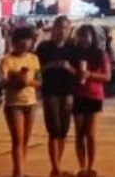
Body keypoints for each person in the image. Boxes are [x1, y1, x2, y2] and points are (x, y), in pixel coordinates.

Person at [37, 16, 78, 176]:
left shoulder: (72, 48)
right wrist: (50, 66)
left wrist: (69, 68)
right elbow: (36, 70)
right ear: (53, 29)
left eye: (66, 28)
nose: (62, 31)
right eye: (60, 27)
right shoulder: (44, 48)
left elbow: (79, 73)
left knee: (63, 131)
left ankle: (57, 166)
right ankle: (55, 167)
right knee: (54, 129)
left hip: (67, 93)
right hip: (50, 92)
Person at [0, 27, 40, 177]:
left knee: (25, 141)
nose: (25, 43)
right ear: (15, 41)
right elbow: (2, 83)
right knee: (18, 140)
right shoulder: (6, 60)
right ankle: (19, 173)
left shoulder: (34, 59)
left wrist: (28, 82)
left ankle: (20, 170)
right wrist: (15, 80)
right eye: (22, 39)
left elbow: (39, 81)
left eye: (28, 40)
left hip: (31, 103)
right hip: (14, 104)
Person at [73, 24, 111, 177]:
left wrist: (90, 75)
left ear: (92, 37)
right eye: (81, 36)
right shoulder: (74, 54)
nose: (83, 39)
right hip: (78, 95)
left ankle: (91, 166)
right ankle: (82, 167)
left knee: (90, 133)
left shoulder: (100, 54)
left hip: (94, 96)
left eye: (86, 36)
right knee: (79, 133)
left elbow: (107, 77)